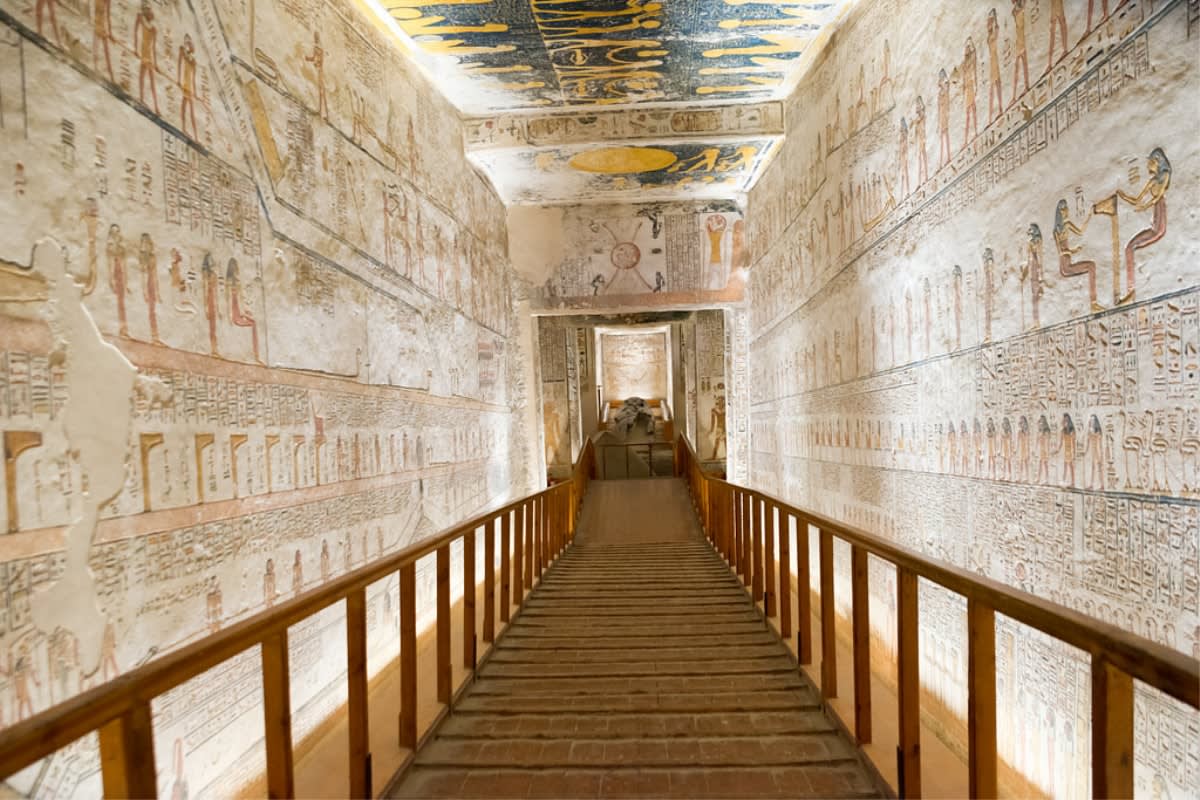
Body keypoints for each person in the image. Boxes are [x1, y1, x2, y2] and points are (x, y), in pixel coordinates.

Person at [1117, 147, 1170, 304]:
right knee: (1129, 247)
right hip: (1155, 223)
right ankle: (1130, 290)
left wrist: (1145, 206)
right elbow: (1137, 199)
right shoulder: (1152, 181)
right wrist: (1123, 196)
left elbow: (1157, 197)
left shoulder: (1165, 175)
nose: (1148, 166)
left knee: (1130, 247)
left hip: (1159, 224)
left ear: (1157, 161)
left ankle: (1131, 290)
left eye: (1150, 163)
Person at [1053, 199, 1101, 311]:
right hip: (1065, 267)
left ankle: (1093, 303)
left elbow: (1080, 232)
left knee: (1091, 266)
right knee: (1091, 266)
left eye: (1066, 209)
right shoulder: (1058, 230)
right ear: (1059, 213)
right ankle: (1093, 303)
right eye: (1063, 210)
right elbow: (1061, 252)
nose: (1066, 211)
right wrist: (1071, 251)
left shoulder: (1067, 225)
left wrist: (1089, 216)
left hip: (1066, 263)